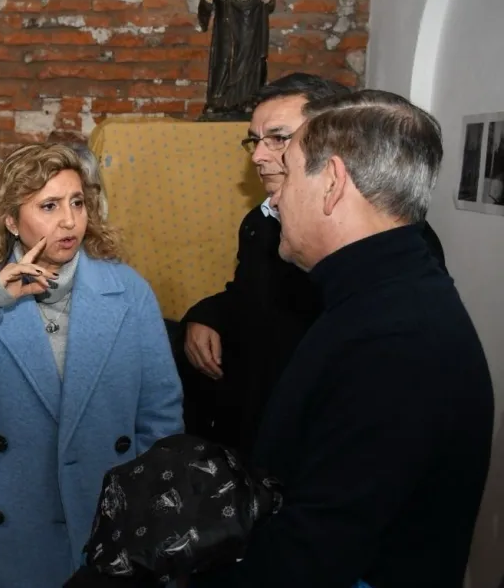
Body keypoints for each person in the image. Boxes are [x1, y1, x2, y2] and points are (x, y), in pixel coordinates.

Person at [190, 90, 495, 588]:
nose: (274, 198)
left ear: (331, 182)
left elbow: (317, 550)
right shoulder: (384, 292)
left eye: (289, 174)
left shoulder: (395, 340)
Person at [0, 143, 184, 587]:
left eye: (77, 202)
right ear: (10, 220)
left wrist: (144, 508)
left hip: (103, 519)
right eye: (49, 206)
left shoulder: (126, 289)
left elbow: (160, 413)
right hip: (3, 528)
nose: (69, 220)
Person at [180, 72, 447, 459]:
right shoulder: (260, 222)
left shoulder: (393, 251)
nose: (258, 156)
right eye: (255, 140)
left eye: (279, 138)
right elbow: (252, 295)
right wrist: (206, 315)